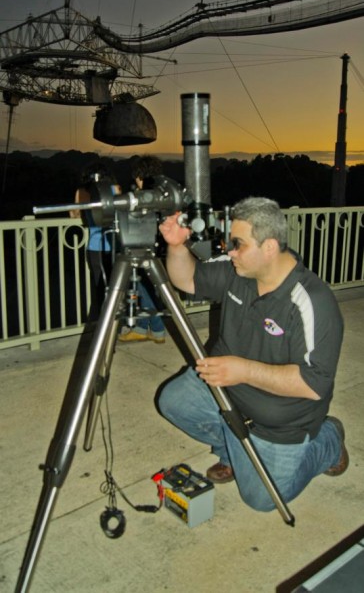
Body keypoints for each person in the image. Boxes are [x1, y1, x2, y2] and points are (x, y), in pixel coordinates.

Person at [157, 197, 348, 512]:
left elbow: (314, 384)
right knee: (173, 401)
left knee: (260, 499)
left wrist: (243, 371)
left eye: (238, 244)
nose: (230, 251)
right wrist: (177, 247)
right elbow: (186, 280)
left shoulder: (312, 301)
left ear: (269, 247)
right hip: (225, 388)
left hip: (279, 422)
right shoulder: (238, 270)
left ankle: (328, 441)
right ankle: (231, 451)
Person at [119, 155, 166, 344]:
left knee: (143, 288)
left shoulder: (144, 197)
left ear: (141, 176)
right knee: (145, 288)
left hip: (144, 247)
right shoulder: (162, 194)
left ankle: (157, 328)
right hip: (158, 248)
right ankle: (142, 327)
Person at [70, 164, 121, 322]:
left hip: (95, 247)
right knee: (116, 287)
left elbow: (73, 215)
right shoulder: (115, 189)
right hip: (115, 245)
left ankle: (100, 324)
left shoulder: (82, 192)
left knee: (100, 288)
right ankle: (113, 323)